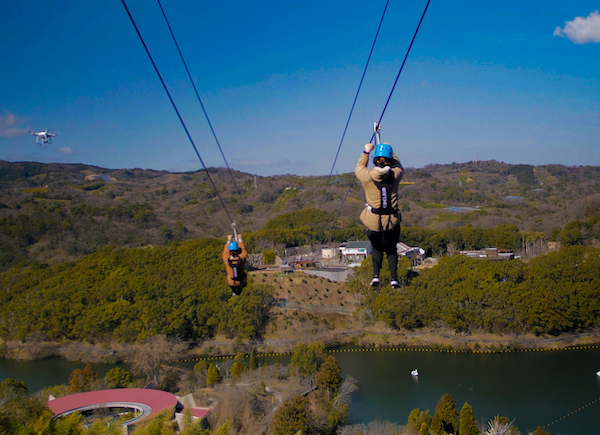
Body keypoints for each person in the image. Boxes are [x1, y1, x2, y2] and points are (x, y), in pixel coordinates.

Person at [355, 142, 404, 288]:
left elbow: (359, 168)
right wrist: (391, 150)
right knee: (391, 249)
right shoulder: (395, 175)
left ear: (375, 162)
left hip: (373, 221)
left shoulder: (368, 177)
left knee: (376, 247)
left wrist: (366, 151)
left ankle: (375, 275)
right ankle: (393, 278)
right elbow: (398, 166)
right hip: (391, 221)